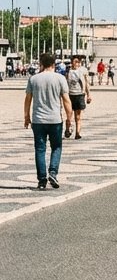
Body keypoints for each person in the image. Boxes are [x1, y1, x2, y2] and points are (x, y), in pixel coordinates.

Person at [24, 51, 71, 190]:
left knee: (40, 149)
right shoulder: (60, 78)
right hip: (55, 119)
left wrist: (26, 116)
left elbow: (27, 99)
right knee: (56, 147)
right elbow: (66, 100)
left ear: (41, 64)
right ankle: (53, 172)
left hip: (38, 120)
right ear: (53, 64)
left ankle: (42, 180)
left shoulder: (33, 79)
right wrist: (69, 118)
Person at [65, 55, 92, 140]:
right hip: (70, 95)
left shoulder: (83, 70)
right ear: (72, 62)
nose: (77, 63)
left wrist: (88, 95)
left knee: (78, 116)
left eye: (78, 62)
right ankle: (67, 129)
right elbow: (64, 83)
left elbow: (86, 83)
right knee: (69, 115)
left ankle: (77, 133)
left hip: (79, 95)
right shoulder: (68, 71)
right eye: (75, 61)